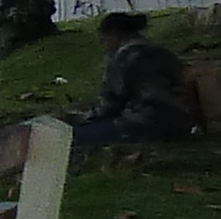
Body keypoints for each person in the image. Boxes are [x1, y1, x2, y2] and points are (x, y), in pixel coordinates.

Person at [74, 9, 200, 150]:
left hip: (142, 124)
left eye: (104, 40)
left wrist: (85, 116)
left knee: (74, 136)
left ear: (115, 34)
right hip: (179, 122)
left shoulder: (123, 57)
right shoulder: (164, 52)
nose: (104, 46)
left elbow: (111, 103)